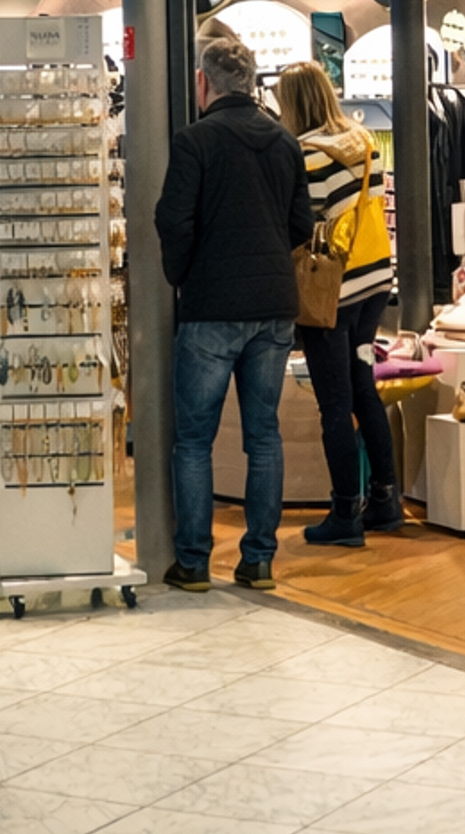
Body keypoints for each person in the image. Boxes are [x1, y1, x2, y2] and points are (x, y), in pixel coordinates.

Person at [155, 36, 314, 591]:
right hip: (274, 306)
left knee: (194, 440)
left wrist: (182, 275)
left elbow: (173, 220)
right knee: (263, 435)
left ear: (203, 82)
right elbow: (302, 223)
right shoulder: (284, 141)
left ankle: (194, 561)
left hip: (211, 306)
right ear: (251, 81)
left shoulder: (194, 141)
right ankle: (259, 559)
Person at [272, 63, 400, 547]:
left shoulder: (307, 155)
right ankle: (385, 499)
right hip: (375, 280)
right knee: (363, 387)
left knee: (334, 403)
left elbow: (302, 223)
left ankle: (345, 510)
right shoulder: (362, 142)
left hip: (333, 289)